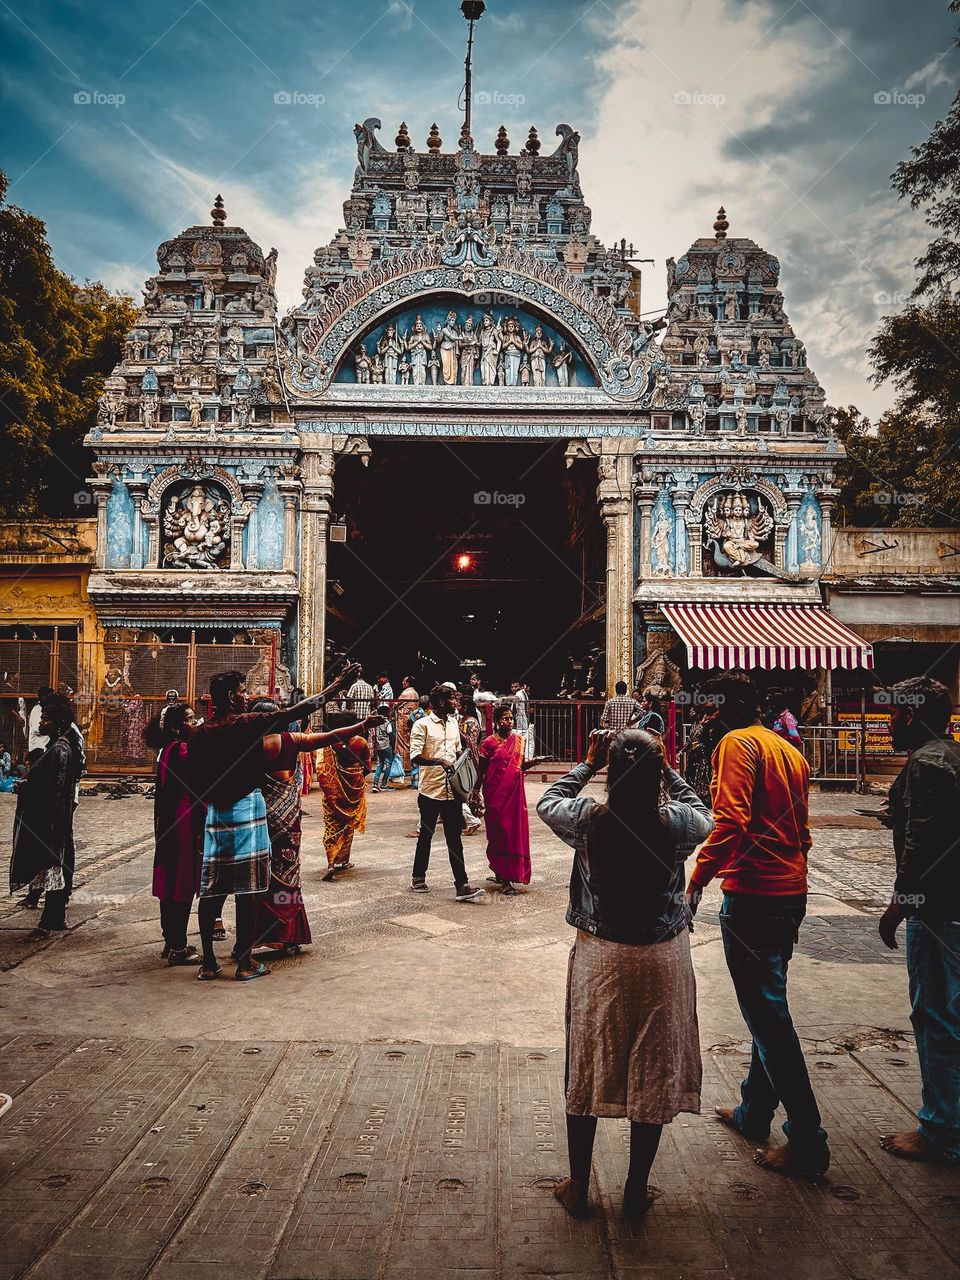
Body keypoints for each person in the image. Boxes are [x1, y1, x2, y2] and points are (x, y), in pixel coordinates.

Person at [537, 728, 713, 1219]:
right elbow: (704, 813)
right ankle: (635, 1190)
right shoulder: (676, 823)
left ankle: (579, 1185)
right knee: (653, 1064)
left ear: (610, 772)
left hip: (602, 956)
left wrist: (587, 763)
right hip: (662, 956)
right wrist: (668, 768)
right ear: (657, 774)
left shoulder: (588, 819)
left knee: (588, 1058)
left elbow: (548, 801)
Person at [685, 672, 830, 1178]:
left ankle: (807, 1138)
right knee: (767, 1006)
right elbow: (803, 829)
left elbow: (731, 821)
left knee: (768, 1017)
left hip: (754, 896)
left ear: (723, 711)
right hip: (790, 890)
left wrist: (696, 880)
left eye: (708, 709)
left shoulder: (736, 745)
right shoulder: (789, 750)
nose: (704, 718)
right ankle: (754, 1111)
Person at [188, 664, 358, 980]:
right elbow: (300, 709)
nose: (246, 697)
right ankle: (245, 963)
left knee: (212, 891)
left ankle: (209, 963)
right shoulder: (246, 724)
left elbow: (194, 783)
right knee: (249, 889)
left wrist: (200, 826)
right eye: (242, 692)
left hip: (214, 815)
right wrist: (337, 685)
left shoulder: (199, 734)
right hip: (246, 810)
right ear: (231, 696)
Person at [877, 676, 960, 1165]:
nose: (888, 723)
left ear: (909, 715)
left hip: (938, 910)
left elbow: (923, 843)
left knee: (935, 1016)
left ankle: (941, 1129)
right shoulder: (949, 756)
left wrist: (899, 904)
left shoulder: (927, 763)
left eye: (892, 714)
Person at [248, 699, 382, 947]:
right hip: (287, 819)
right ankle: (287, 932)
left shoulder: (247, 747)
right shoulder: (291, 740)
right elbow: (330, 736)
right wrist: (363, 724)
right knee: (287, 871)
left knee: (256, 874)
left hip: (255, 817)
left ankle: (253, 935)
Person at [10, 694, 81, 937]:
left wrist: (28, 786)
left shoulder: (60, 749)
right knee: (52, 867)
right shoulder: (54, 746)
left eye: (46, 719)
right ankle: (54, 917)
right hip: (54, 818)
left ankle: (50, 920)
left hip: (53, 819)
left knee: (54, 867)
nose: (41, 723)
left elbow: (56, 788)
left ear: (59, 723)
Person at [409, 685, 485, 901]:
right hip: (430, 791)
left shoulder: (453, 724)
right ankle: (418, 877)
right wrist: (439, 761)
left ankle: (462, 885)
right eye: (452, 699)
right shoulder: (422, 725)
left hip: (452, 792)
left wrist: (465, 773)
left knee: (454, 838)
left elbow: (457, 751)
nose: (456, 703)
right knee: (426, 835)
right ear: (442, 702)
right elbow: (415, 756)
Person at [144, 701, 204, 966]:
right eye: (189, 719)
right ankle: (179, 947)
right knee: (182, 883)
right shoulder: (182, 750)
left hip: (171, 820)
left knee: (170, 883)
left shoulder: (167, 750)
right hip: (185, 820)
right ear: (175, 727)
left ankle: (171, 940)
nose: (195, 722)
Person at [475, 702, 551, 894]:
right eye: (505, 719)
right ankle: (501, 873)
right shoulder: (489, 743)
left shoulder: (518, 740)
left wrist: (534, 762)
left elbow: (519, 767)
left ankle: (507, 875)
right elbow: (481, 770)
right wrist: (475, 792)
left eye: (511, 718)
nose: (509, 722)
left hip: (514, 796)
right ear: (497, 722)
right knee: (498, 833)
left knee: (513, 833)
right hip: (495, 795)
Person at [315, 711, 373, 881]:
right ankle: (344, 860)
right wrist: (354, 775)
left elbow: (321, 768)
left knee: (331, 824)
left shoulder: (330, 743)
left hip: (333, 791)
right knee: (348, 824)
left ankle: (331, 863)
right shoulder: (361, 743)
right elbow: (367, 768)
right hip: (354, 789)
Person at [396, 676, 419, 778]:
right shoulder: (415, 693)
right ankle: (409, 765)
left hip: (404, 720)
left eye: (404, 681)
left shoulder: (406, 693)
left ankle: (404, 767)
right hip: (412, 720)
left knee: (402, 741)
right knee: (409, 741)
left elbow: (397, 704)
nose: (402, 682)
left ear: (408, 683)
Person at [371, 704, 396, 792]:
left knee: (380, 765)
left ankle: (375, 784)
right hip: (386, 746)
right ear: (387, 713)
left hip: (378, 747)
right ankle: (384, 784)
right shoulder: (387, 723)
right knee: (388, 765)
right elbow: (391, 735)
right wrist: (393, 747)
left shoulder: (376, 723)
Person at [27, 685, 53, 763]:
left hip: (44, 748)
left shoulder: (46, 708)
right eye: (49, 696)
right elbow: (36, 729)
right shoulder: (37, 709)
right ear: (43, 697)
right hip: (38, 748)